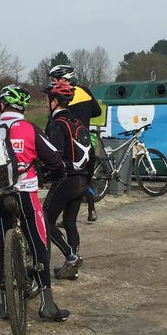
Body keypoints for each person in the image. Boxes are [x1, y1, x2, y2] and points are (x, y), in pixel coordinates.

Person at [0, 84, 69, 322]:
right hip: (25, 193)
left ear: (1, 105)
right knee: (39, 242)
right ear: (23, 107)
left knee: (3, 247)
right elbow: (55, 160)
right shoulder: (30, 129)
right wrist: (51, 175)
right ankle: (47, 303)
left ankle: (5, 302)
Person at [42, 80, 92, 279]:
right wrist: (88, 182)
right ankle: (73, 270)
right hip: (82, 179)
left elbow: (54, 157)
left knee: (46, 221)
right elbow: (92, 154)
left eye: (48, 100)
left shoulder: (56, 124)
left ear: (54, 102)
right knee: (70, 221)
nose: (47, 103)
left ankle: (71, 256)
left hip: (66, 179)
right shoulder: (78, 122)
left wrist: (45, 176)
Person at [48, 64, 102, 222]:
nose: (52, 82)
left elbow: (55, 118)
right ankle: (91, 210)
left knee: (66, 179)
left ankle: (63, 216)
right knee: (86, 177)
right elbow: (97, 111)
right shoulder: (85, 90)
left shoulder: (62, 95)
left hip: (69, 144)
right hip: (86, 140)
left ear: (62, 79)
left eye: (53, 79)